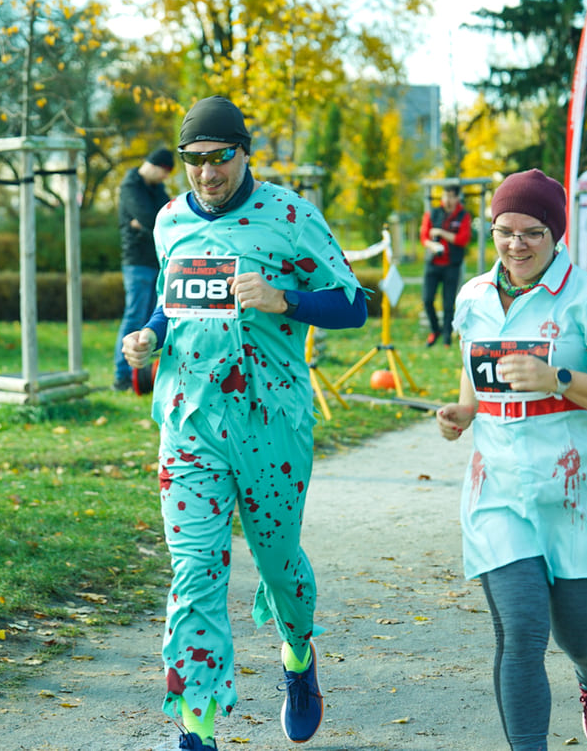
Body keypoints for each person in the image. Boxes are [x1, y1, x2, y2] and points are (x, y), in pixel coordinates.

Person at [121, 96, 366, 751]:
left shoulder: (290, 216)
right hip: (189, 423)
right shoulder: (170, 221)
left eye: (220, 158)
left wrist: (283, 298)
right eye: (194, 161)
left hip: (271, 425)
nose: (207, 174)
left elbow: (353, 305)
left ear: (245, 152)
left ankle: (297, 651)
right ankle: (196, 725)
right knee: (194, 571)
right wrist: (147, 336)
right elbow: (171, 304)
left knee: (279, 564)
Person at [435, 169, 587, 749]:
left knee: (579, 638)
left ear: (556, 234)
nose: (516, 244)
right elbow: (476, 377)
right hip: (499, 491)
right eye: (505, 231)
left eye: (532, 232)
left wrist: (558, 378)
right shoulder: (473, 296)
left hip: (578, 494)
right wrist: (463, 412)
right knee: (522, 634)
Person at [113, 147, 174, 391]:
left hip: (157, 261)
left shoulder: (157, 189)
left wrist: (146, 225)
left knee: (151, 321)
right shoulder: (130, 186)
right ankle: (122, 375)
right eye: (165, 171)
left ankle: (141, 377)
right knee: (134, 318)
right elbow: (152, 219)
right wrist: (150, 224)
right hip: (136, 261)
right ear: (153, 164)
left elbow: (167, 218)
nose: (165, 177)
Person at [420, 183, 472, 346]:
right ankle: (435, 330)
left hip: (452, 265)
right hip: (433, 264)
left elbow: (462, 239)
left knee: (448, 303)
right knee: (427, 300)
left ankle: (447, 337)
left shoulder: (463, 216)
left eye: (451, 196)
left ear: (457, 198)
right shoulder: (432, 213)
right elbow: (424, 237)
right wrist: (432, 245)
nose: (447, 200)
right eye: (445, 196)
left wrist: (441, 233)